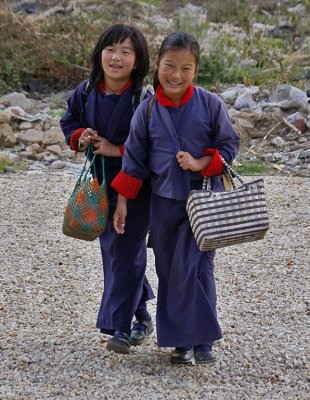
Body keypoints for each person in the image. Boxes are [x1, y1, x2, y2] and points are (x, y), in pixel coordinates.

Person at [111, 32, 240, 364]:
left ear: (196, 70)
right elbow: (135, 160)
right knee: (170, 270)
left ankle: (203, 342)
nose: (176, 75)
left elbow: (229, 147)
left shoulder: (211, 104)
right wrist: (123, 200)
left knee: (197, 269)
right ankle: (184, 343)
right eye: (169, 66)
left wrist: (200, 163)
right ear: (157, 65)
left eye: (186, 68)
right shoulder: (147, 109)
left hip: (203, 202)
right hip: (164, 205)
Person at [60, 24, 155, 354]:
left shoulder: (144, 99)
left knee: (125, 253)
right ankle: (142, 316)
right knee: (115, 253)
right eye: (111, 49)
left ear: (137, 60)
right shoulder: (85, 92)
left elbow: (153, 147)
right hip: (101, 185)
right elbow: (69, 123)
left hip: (136, 187)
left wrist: (118, 150)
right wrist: (80, 136)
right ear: (99, 53)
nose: (116, 57)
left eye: (126, 52)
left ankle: (121, 328)